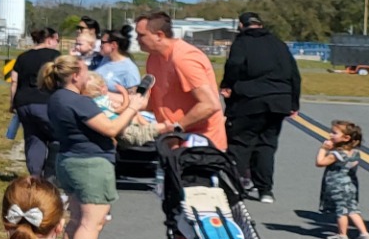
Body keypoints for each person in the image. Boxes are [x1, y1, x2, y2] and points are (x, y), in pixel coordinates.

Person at [40, 55, 149, 239]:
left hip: (68, 160)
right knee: (91, 223)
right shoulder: (79, 101)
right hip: (90, 164)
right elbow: (111, 128)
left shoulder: (57, 98)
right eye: (85, 72)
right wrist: (133, 107)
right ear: (75, 76)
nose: (89, 76)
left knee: (76, 219)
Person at [221, 12, 301, 203]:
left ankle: (236, 186)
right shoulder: (278, 43)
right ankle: (265, 190)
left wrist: (227, 85)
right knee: (266, 145)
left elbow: (234, 64)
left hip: (250, 99)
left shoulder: (242, 42)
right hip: (279, 100)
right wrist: (293, 103)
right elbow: (294, 74)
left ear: (241, 26)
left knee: (241, 143)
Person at [137, 12, 226, 149]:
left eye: (141, 35)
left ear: (159, 35)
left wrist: (177, 128)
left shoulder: (184, 58)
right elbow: (154, 103)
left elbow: (210, 105)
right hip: (173, 142)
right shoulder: (153, 58)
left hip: (199, 145)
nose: (137, 39)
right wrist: (115, 102)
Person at [10, 29, 60, 179]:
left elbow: (14, 81)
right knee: (57, 137)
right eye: (57, 40)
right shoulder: (55, 56)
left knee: (34, 138)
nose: (57, 44)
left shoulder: (23, 57)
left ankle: (35, 176)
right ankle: (50, 176)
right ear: (50, 39)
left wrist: (12, 103)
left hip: (23, 103)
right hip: (45, 102)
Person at [316, 120, 367, 239]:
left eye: (334, 133)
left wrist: (323, 149)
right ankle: (364, 234)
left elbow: (320, 163)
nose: (330, 135)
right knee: (353, 209)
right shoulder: (355, 153)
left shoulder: (335, 154)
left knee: (341, 211)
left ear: (346, 138)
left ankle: (342, 235)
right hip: (350, 184)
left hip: (337, 185)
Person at [92, 27, 141, 94]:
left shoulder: (129, 69)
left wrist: (106, 94)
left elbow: (133, 97)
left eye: (102, 42)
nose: (100, 45)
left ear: (113, 45)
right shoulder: (105, 59)